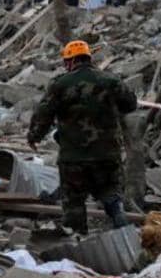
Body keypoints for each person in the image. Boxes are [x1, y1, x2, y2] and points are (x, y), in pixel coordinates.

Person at [28, 40, 138, 235]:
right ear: (89, 58)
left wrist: (34, 136)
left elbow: (44, 114)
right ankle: (121, 223)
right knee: (110, 193)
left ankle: (77, 239)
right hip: (107, 155)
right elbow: (131, 104)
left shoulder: (60, 84)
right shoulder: (110, 81)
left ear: (70, 61)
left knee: (74, 203)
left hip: (73, 158)